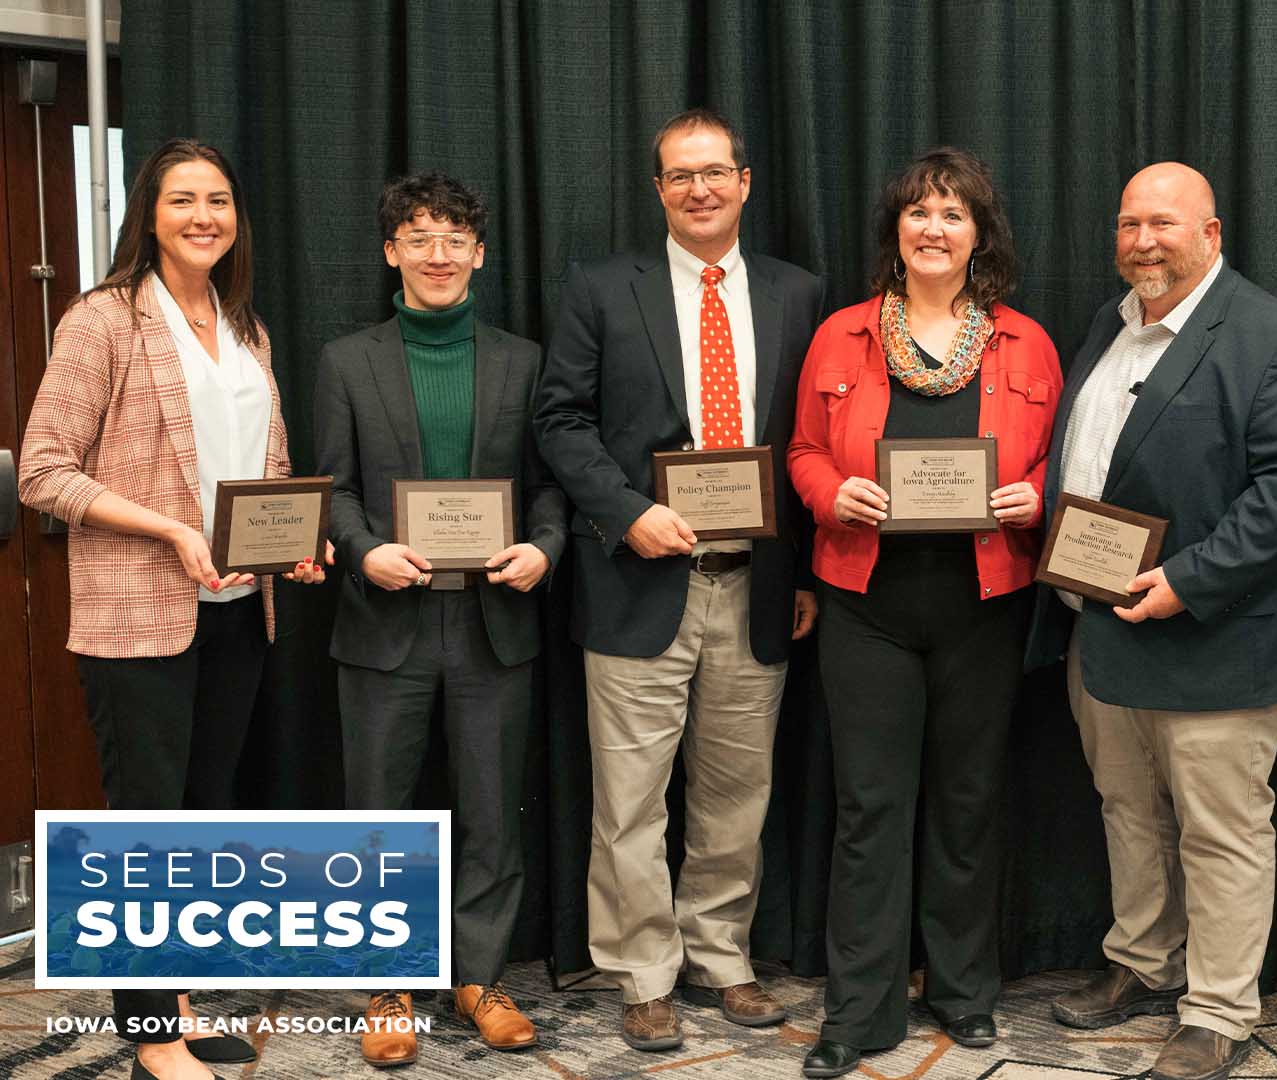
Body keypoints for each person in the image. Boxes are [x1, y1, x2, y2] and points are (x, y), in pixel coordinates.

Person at [16, 137, 327, 1080]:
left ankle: (179, 1010)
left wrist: (293, 544)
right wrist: (168, 529)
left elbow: (264, 471)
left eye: (220, 201)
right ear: (149, 213)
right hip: (137, 613)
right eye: (184, 199)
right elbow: (42, 471)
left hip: (236, 609)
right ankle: (153, 1039)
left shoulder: (247, 327)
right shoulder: (102, 320)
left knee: (196, 822)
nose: (205, 217)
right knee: (143, 828)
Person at [1029, 162, 1277, 1080]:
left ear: (1212, 235)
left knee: (1222, 829)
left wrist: (1189, 580)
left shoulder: (1276, 338)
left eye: (1163, 223)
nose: (1143, 241)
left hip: (1216, 634)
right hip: (1102, 626)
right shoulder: (1111, 323)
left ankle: (1216, 1009)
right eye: (1129, 224)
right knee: (1127, 811)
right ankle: (1143, 959)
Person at [532, 107, 824, 1052]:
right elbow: (561, 421)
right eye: (678, 175)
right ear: (657, 191)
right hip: (638, 578)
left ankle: (721, 956)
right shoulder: (600, 289)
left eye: (715, 172)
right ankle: (643, 971)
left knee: (737, 792)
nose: (699, 188)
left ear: (745, 182)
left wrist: (808, 568)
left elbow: (815, 444)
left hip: (759, 583)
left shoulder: (798, 294)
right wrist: (627, 511)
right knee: (630, 799)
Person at [787, 147, 1061, 1079]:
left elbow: (1061, 461)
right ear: (895, 232)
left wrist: (1037, 495)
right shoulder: (842, 337)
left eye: (952, 213)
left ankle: (962, 992)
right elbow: (801, 452)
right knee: (870, 806)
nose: (933, 228)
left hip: (986, 602)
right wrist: (833, 496)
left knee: (969, 800)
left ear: (978, 233)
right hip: (867, 603)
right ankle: (858, 1011)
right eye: (917, 213)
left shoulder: (1026, 343)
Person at [313, 171, 567, 1067]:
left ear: (480, 254)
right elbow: (333, 489)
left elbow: (548, 488)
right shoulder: (348, 360)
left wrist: (544, 547)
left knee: (493, 816)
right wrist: (362, 547)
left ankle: (478, 980)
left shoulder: (523, 360)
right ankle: (389, 986)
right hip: (386, 620)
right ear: (392, 253)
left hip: (495, 620)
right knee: (379, 815)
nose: (438, 254)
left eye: (455, 237)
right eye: (419, 237)